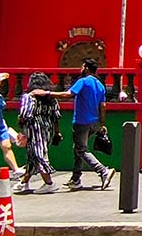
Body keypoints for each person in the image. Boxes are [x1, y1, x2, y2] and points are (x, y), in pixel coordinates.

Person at [46, 59, 114, 190]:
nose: (80, 69)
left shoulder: (82, 81)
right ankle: (76, 179)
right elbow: (103, 106)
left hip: (82, 121)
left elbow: (68, 94)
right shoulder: (100, 85)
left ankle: (103, 171)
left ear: (87, 68)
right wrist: (102, 124)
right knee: (77, 148)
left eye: (82, 66)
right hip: (94, 122)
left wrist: (48, 94)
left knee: (81, 150)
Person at [16, 73, 60, 195]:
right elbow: (56, 116)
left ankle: (49, 183)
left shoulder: (29, 97)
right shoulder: (51, 98)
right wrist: (57, 132)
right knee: (32, 155)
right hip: (48, 128)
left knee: (38, 153)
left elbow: (25, 114)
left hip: (34, 127)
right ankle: (24, 182)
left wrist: (20, 125)